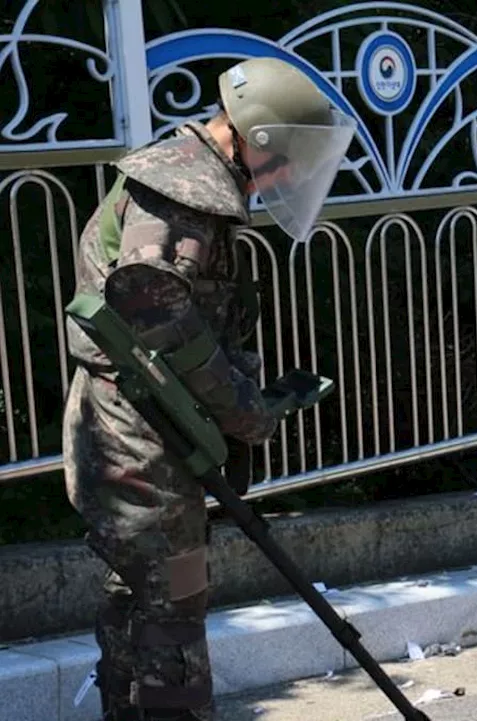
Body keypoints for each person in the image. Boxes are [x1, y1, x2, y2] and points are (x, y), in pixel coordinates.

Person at [61, 56, 356, 721]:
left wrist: (245, 398)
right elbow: (150, 302)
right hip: (136, 436)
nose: (292, 176)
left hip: (141, 427)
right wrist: (242, 408)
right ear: (260, 143)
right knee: (170, 602)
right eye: (291, 159)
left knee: (137, 594)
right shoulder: (180, 191)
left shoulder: (192, 186)